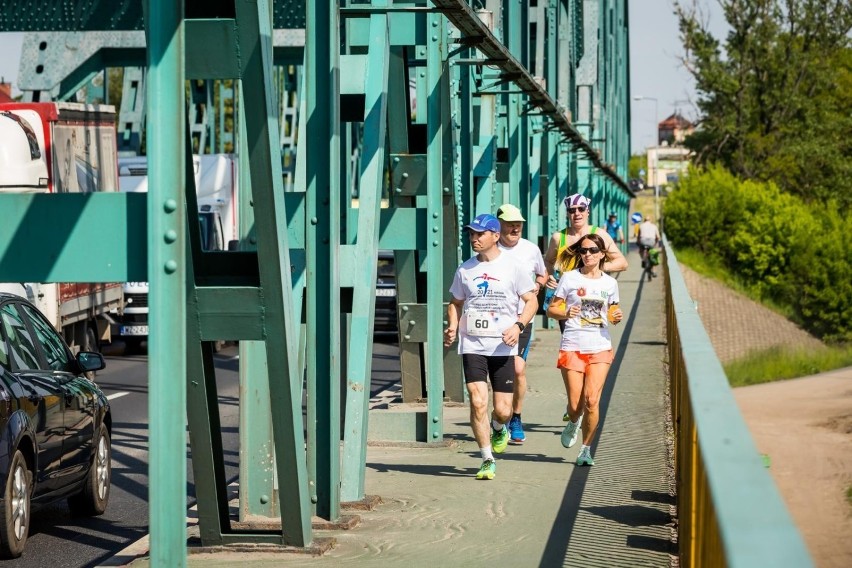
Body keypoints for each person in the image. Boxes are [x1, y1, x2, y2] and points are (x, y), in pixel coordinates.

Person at [444, 213, 538, 480]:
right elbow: (455, 303)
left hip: (503, 345)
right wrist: (452, 325)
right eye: (472, 234)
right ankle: (487, 458)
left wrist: (518, 326)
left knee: (503, 410)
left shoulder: (514, 266)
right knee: (477, 400)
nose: (474, 238)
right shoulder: (465, 269)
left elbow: (531, 301)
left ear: (495, 236)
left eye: (480, 233)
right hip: (473, 343)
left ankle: (499, 427)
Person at [545, 232, 623, 466]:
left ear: (602, 255)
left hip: (600, 347)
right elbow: (551, 309)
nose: (587, 254)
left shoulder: (610, 283)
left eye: (592, 251)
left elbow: (612, 312)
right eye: (584, 250)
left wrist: (616, 316)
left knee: (592, 400)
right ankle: (573, 420)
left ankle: (586, 450)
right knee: (576, 405)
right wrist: (566, 312)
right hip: (573, 346)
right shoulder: (569, 278)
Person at [495, 203, 548, 445]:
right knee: (494, 371)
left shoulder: (530, 249)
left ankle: (515, 417)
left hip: (520, 317)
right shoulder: (490, 250)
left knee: (517, 369)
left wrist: (538, 284)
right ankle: (499, 418)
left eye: (519, 224)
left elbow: (543, 273)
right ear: (499, 226)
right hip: (495, 320)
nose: (516, 227)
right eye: (510, 223)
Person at [636, 215, 661, 280]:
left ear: (644, 220)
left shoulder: (641, 226)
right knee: (653, 254)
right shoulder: (654, 226)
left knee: (640, 250)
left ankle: (643, 260)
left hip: (643, 241)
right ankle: (654, 271)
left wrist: (638, 243)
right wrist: (656, 243)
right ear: (650, 220)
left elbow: (638, 236)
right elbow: (658, 237)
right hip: (652, 242)